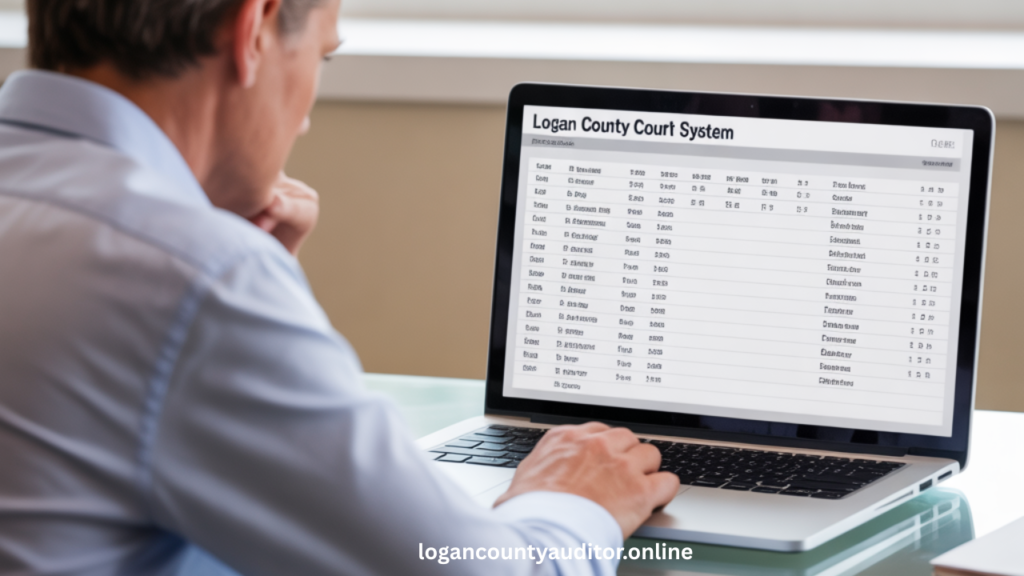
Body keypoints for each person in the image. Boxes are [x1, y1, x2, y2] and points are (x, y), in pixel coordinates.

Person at [0, 0, 680, 574]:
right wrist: (577, 498)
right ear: (255, 30)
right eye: (322, 57)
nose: (305, 117)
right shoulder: (196, 277)